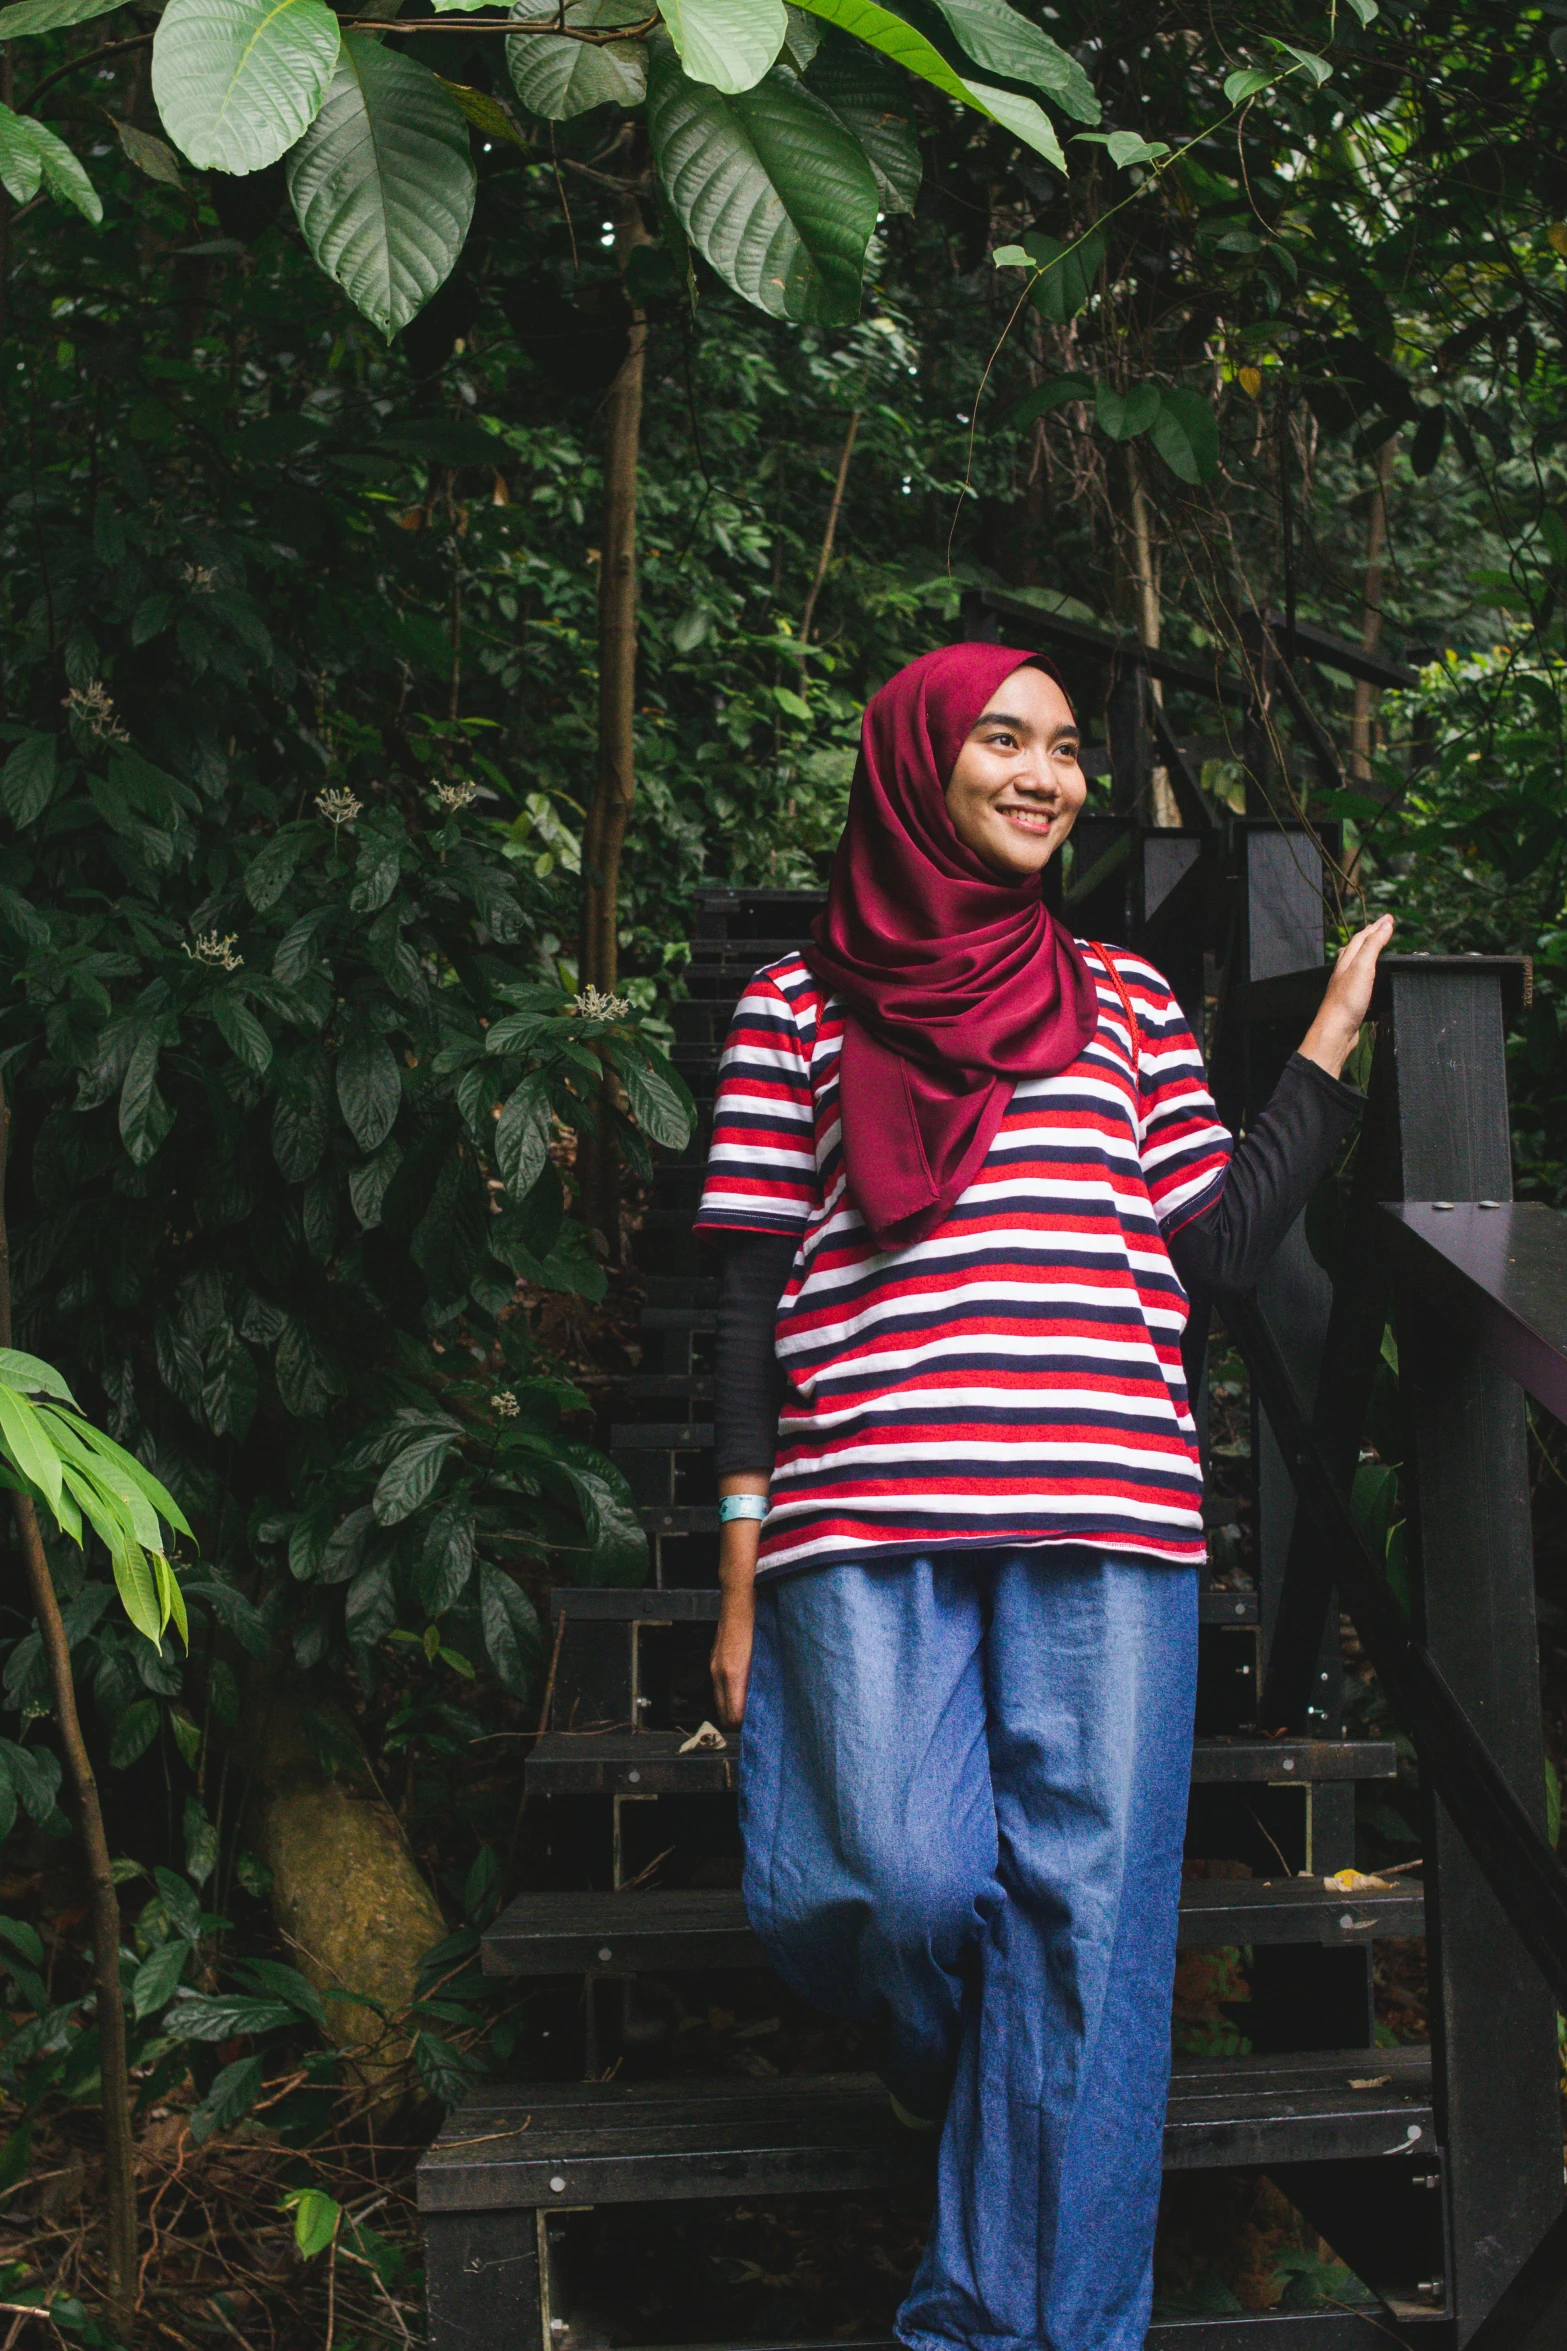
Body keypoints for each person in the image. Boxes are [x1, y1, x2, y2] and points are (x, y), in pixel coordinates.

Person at [692, 642, 1392, 2351]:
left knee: (1083, 1938)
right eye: (1002, 738)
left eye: (1067, 748)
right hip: (860, 1514)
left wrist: (1326, 1038)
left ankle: (1017, 2327)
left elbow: (1214, 1246)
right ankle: (960, 2085)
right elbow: (738, 1301)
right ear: (916, 760)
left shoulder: (1127, 999)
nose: (1045, 773)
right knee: (876, 1884)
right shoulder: (794, 1005)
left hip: (1110, 1511)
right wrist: (734, 1570)